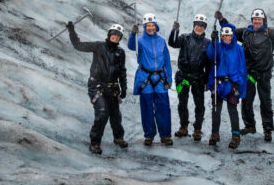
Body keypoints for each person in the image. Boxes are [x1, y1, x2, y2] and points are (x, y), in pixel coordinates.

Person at [215, 8, 274, 142]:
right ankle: (250, 125)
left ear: (263, 21)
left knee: (265, 101)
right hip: (249, 72)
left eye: (259, 19)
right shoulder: (245, 32)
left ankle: (268, 129)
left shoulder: (270, 33)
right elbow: (230, 32)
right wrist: (222, 20)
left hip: (264, 73)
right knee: (247, 100)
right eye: (254, 19)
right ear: (252, 20)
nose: (256, 21)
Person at [67, 22, 128, 155]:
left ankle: (118, 138)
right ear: (109, 35)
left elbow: (122, 71)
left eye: (118, 36)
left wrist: (123, 87)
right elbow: (78, 46)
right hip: (97, 86)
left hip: (112, 88)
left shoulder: (120, 52)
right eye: (114, 34)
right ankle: (95, 143)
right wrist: (72, 31)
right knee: (102, 113)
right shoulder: (98, 46)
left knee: (115, 115)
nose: (115, 37)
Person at [128, 13, 173, 146]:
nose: (150, 28)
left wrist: (169, 78)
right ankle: (149, 135)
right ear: (144, 26)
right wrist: (132, 34)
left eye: (152, 25)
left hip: (160, 77)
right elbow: (131, 46)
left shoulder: (161, 41)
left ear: (156, 26)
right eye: (148, 26)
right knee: (147, 107)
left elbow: (167, 60)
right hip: (145, 77)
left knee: (163, 107)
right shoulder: (139, 40)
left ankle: (165, 135)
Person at [168, 14, 212, 141]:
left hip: (198, 77)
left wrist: (207, 81)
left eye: (202, 26)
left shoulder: (208, 43)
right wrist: (174, 31)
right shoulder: (185, 38)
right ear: (194, 25)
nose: (199, 27)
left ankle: (197, 129)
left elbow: (209, 64)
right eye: (197, 25)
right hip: (183, 76)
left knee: (200, 104)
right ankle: (183, 127)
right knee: (182, 102)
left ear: (205, 28)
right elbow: (173, 43)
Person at [206, 23, 247, 149]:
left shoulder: (239, 49)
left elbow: (242, 68)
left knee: (232, 110)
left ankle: (235, 136)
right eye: (224, 36)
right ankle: (215, 134)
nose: (226, 38)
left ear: (232, 35)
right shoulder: (218, 47)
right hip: (218, 82)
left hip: (233, 83)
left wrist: (238, 84)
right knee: (216, 109)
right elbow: (211, 56)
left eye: (228, 35)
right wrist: (213, 42)